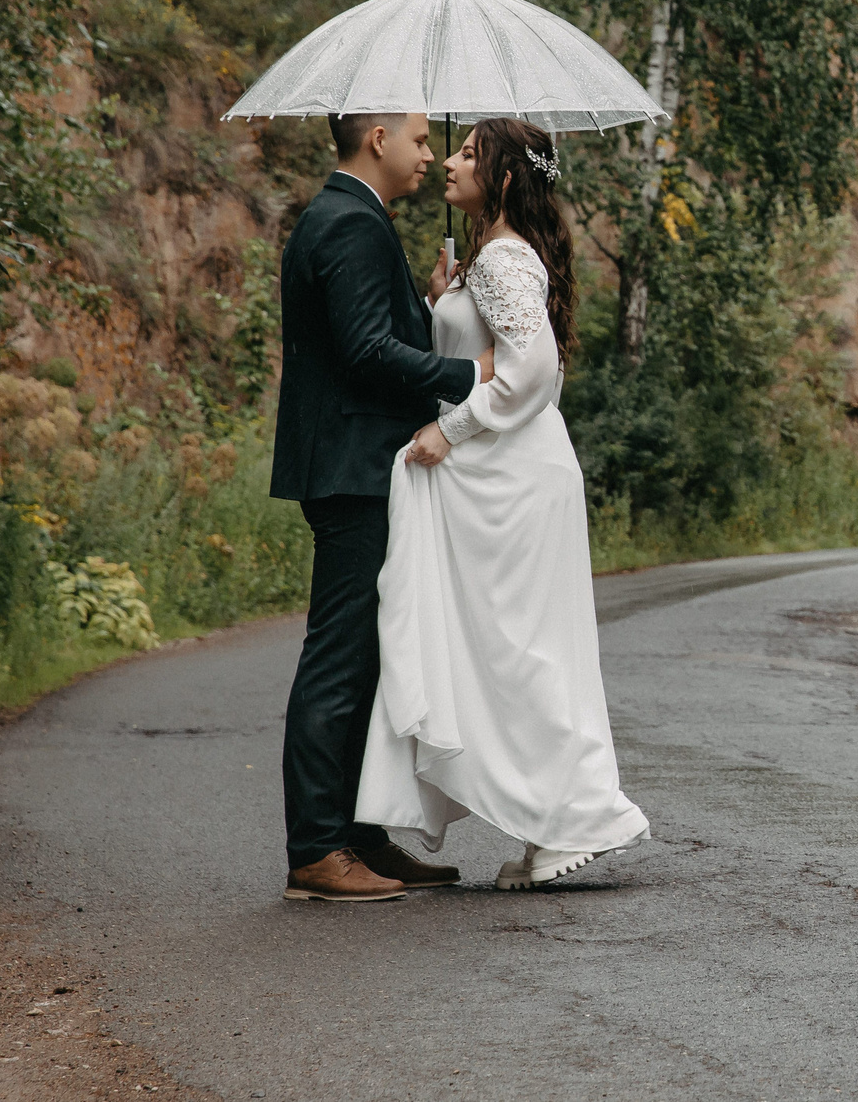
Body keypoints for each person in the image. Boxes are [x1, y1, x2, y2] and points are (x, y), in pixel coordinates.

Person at [355, 117, 649, 889]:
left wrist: (450, 430)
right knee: (511, 652)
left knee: (523, 652)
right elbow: (483, 357)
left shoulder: (504, 261)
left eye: (465, 153)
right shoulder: (489, 261)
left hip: (513, 479)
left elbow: (533, 371)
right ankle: (547, 818)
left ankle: (576, 813)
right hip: (510, 474)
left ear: (507, 177)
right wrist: (441, 302)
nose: (448, 162)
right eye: (450, 149)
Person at [271, 112, 493, 903]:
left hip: (354, 460)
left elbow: (365, 334)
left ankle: (360, 835)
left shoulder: (349, 218)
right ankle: (317, 848)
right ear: (377, 137)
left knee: (367, 654)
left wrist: (427, 306)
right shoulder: (349, 223)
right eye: (422, 137)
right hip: (353, 464)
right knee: (340, 655)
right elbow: (366, 353)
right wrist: (472, 374)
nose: (431, 153)